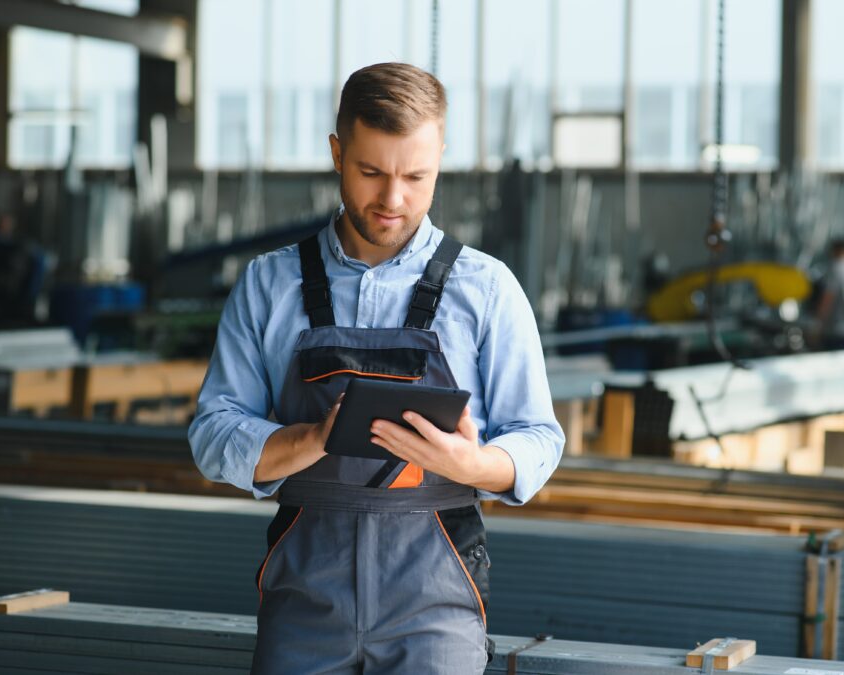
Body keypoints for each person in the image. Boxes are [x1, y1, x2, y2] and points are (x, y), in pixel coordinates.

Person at [189, 62, 565, 674]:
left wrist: (473, 464)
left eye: (416, 176)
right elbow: (212, 433)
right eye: (371, 172)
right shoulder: (268, 284)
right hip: (305, 596)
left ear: (441, 157)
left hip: (434, 603)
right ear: (337, 152)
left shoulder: (487, 289)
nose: (393, 200)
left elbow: (539, 438)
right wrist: (310, 439)